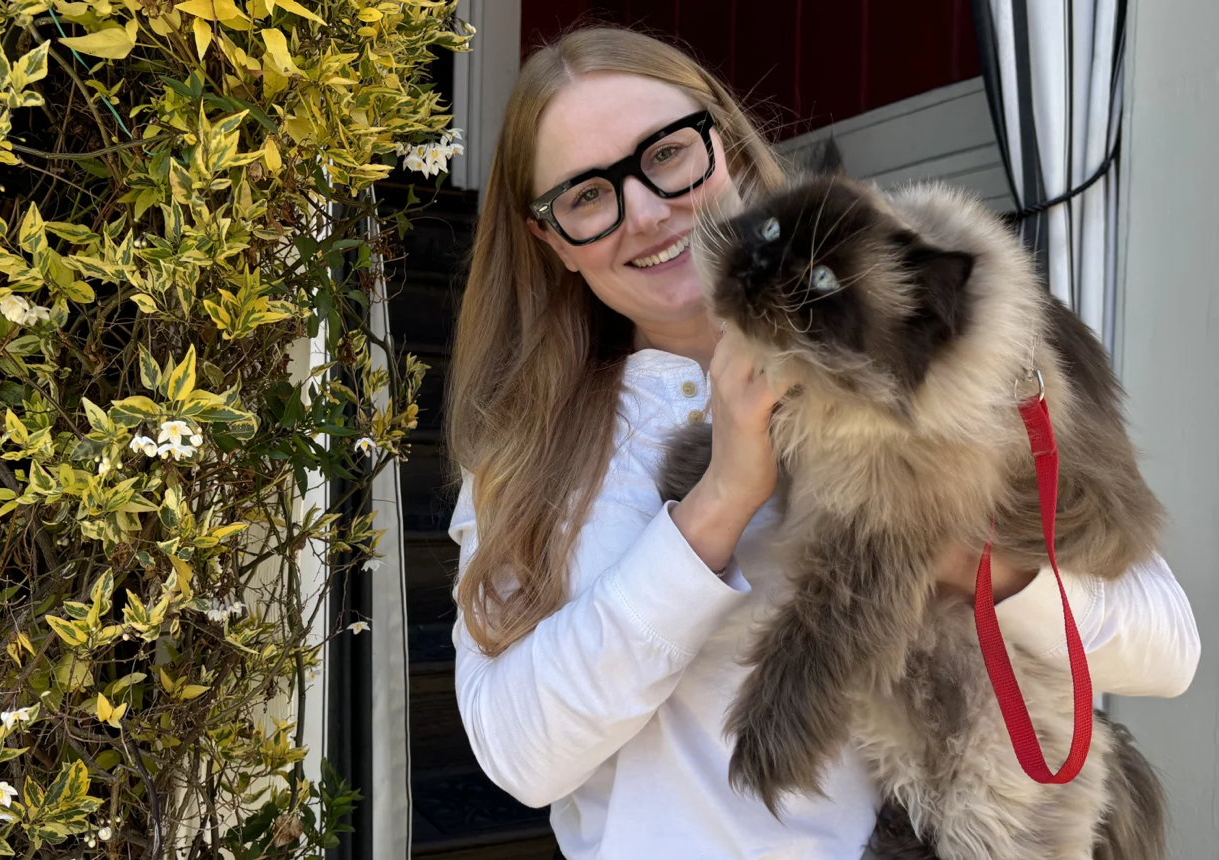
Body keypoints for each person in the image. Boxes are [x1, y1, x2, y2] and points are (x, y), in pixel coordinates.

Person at [443, 26, 1200, 860]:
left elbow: (1167, 649)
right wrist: (719, 505)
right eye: (586, 195)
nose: (647, 211)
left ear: (723, 146)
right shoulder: (529, 454)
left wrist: (964, 558)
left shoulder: (924, 323)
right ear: (551, 238)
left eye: (666, 155)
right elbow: (520, 758)